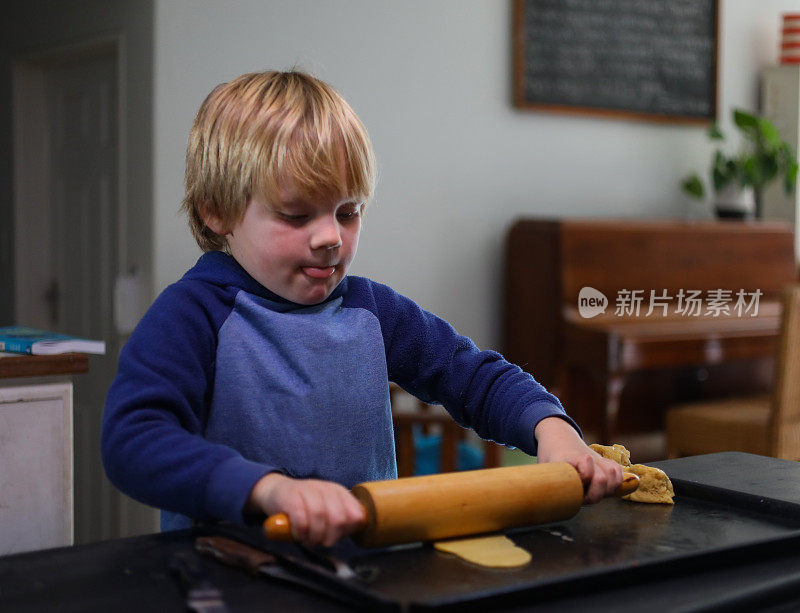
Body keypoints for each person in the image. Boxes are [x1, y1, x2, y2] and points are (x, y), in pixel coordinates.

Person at [102, 70, 622, 548]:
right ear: (216, 211)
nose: (331, 237)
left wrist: (552, 432)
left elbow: (474, 376)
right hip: (232, 574)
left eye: (348, 212)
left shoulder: (372, 309)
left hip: (366, 569)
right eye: (297, 214)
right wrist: (266, 488)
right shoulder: (193, 315)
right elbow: (135, 440)